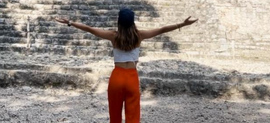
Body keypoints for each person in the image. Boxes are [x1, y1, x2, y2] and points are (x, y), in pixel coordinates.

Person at [55, 8, 198, 123]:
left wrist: (70, 22)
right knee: (133, 115)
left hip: (117, 76)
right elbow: (162, 29)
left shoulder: (113, 36)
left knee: (115, 114)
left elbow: (90, 29)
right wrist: (182, 24)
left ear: (119, 22)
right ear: (133, 22)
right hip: (131, 77)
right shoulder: (139, 35)